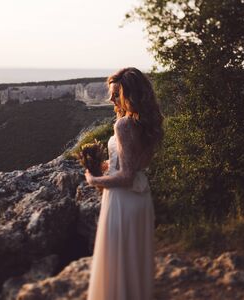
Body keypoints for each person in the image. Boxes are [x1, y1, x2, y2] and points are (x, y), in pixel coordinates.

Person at [85, 67, 164, 300]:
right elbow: (134, 162)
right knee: (133, 260)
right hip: (141, 197)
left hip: (123, 198)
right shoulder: (145, 122)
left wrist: (94, 179)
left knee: (118, 260)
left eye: (116, 93)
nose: (110, 98)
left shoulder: (124, 125)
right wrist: (110, 163)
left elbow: (127, 176)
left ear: (131, 95)